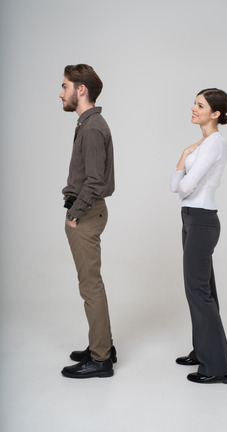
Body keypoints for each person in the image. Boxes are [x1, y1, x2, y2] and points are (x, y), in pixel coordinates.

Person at [170, 88, 227, 384]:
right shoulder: (202, 144)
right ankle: (204, 351)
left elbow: (184, 187)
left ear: (216, 113)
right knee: (202, 290)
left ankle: (219, 367)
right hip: (191, 219)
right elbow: (177, 186)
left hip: (202, 220)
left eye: (200, 105)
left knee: (198, 292)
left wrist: (185, 157)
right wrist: (185, 153)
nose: (193, 108)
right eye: (194, 104)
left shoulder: (214, 144)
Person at [59, 64, 116, 379]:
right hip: (89, 211)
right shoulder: (88, 123)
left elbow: (94, 181)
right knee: (92, 284)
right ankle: (103, 344)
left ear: (81, 89)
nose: (61, 92)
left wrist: (73, 213)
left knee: (90, 286)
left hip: (87, 214)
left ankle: (100, 359)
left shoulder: (92, 127)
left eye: (65, 85)